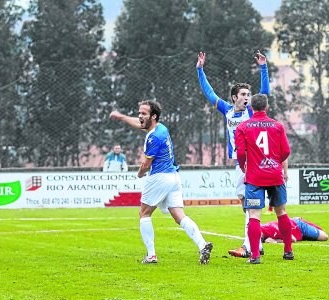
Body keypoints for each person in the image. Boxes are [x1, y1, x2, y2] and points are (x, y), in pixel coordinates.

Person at [110, 100, 213, 265]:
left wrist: (139, 174)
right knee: (179, 215)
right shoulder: (161, 128)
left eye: (143, 114)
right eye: (139, 113)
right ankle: (202, 245)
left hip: (159, 177)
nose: (140, 116)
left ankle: (151, 255)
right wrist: (122, 117)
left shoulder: (153, 137)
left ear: (153, 116)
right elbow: (139, 124)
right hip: (173, 177)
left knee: (144, 213)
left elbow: (146, 164)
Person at [196, 50, 274, 258]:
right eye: (243, 95)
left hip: (251, 162)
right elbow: (209, 93)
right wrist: (200, 70)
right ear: (234, 98)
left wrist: (264, 67)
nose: (247, 97)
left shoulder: (252, 112)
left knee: (249, 204)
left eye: (249, 95)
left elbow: (264, 91)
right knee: (246, 203)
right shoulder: (227, 110)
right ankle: (256, 242)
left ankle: (248, 246)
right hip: (240, 163)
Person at [235, 94, 292, 264]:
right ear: (267, 107)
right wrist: (274, 161)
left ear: (251, 108)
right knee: (281, 212)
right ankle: (288, 250)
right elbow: (286, 151)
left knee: (254, 216)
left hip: (255, 176)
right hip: (275, 174)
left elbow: (239, 152)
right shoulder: (277, 126)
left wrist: (243, 165)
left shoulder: (243, 127)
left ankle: (255, 256)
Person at [261, 217, 328, 243]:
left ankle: (300, 221)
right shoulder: (259, 227)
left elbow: (292, 239)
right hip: (291, 224)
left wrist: (275, 241)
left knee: (324, 236)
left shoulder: (274, 231)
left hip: (298, 226)